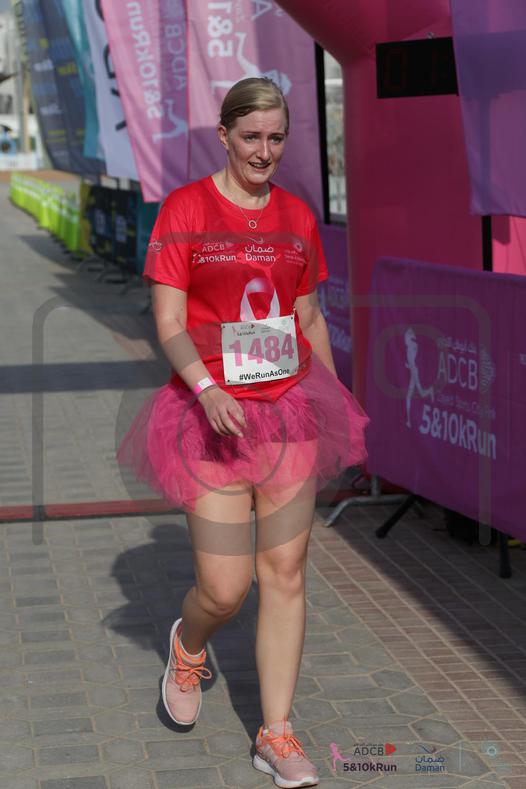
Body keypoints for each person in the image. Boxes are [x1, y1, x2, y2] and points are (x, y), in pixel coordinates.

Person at [117, 77, 369, 788]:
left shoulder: (296, 215)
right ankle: (189, 644)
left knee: (284, 572)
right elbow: (169, 321)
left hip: (288, 410)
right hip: (209, 418)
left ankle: (275, 733)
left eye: (276, 137)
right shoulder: (186, 209)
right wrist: (207, 388)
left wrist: (333, 401)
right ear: (224, 135)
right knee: (225, 589)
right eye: (251, 136)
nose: (264, 150)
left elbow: (308, 315)